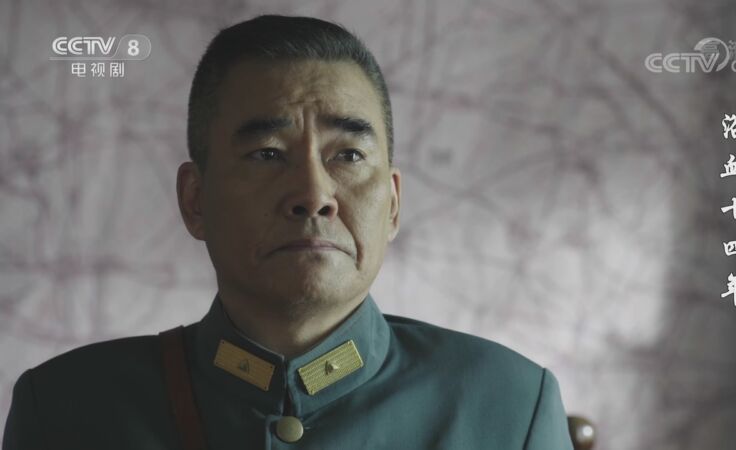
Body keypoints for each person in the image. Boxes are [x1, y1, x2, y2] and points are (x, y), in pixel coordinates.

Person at [2, 14, 573, 450]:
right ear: (195, 200)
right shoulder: (66, 408)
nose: (314, 194)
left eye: (348, 155)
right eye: (267, 153)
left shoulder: (509, 404)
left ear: (393, 204)